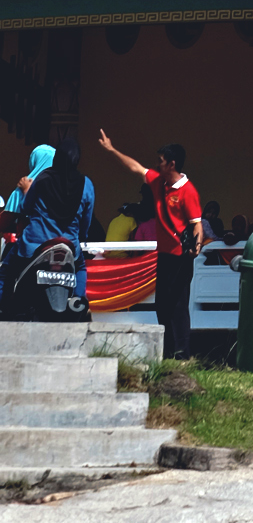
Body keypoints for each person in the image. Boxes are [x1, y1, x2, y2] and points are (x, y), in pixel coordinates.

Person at [97, 131, 203, 360]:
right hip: (164, 255)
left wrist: (196, 248)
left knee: (178, 306)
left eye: (160, 161)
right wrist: (112, 150)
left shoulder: (188, 191)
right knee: (162, 305)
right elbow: (135, 168)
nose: (156, 164)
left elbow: (196, 224)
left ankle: (182, 356)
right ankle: (167, 352)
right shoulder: (157, 182)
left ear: (172, 164)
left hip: (180, 257)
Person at [4, 141, 95, 320]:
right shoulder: (86, 184)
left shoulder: (42, 178)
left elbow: (26, 207)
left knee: (6, 270)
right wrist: (80, 236)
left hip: (34, 243)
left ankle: (5, 306)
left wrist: (27, 192)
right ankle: (78, 301)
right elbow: (87, 219)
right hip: (68, 244)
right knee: (80, 267)